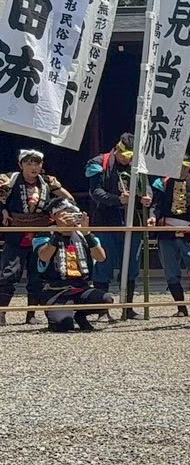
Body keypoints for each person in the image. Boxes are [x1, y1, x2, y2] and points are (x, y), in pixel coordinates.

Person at [0, 148, 73, 324]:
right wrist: (2, 209)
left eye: (37, 163)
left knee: (37, 274)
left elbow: (68, 199)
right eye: (28, 163)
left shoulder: (48, 181)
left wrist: (60, 213)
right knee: (9, 273)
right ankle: (1, 313)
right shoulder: (9, 179)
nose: (33, 167)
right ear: (21, 165)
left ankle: (31, 314)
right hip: (16, 233)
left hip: (41, 233)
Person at [85, 134, 149, 318]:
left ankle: (128, 308)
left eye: (131, 156)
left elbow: (146, 187)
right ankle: (102, 310)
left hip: (132, 221)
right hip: (106, 221)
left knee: (131, 265)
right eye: (125, 155)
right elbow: (95, 192)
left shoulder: (138, 165)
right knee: (103, 264)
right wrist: (117, 199)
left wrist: (147, 198)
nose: (127, 159)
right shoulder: (98, 162)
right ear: (117, 148)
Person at [34, 199, 110, 333]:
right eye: (64, 213)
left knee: (106, 299)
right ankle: (58, 314)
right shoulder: (45, 234)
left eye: (72, 212)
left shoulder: (84, 234)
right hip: (55, 289)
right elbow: (44, 256)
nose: (69, 215)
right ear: (53, 216)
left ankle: (80, 316)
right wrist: (59, 233)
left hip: (82, 287)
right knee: (63, 325)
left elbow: (101, 257)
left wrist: (87, 234)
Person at [148, 157, 190, 317]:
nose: (182, 170)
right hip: (167, 233)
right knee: (171, 272)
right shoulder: (162, 183)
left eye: (185, 167)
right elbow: (156, 205)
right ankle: (181, 307)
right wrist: (152, 217)